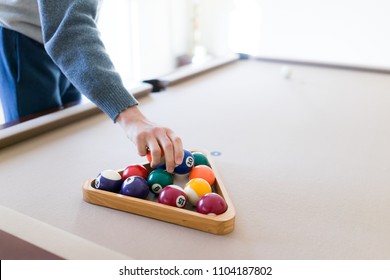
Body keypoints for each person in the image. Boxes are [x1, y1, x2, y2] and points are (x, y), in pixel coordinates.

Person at [0, 0, 183, 172]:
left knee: (65, 143)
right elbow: (69, 32)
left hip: (65, 38)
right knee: (36, 155)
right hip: (21, 36)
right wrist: (132, 118)